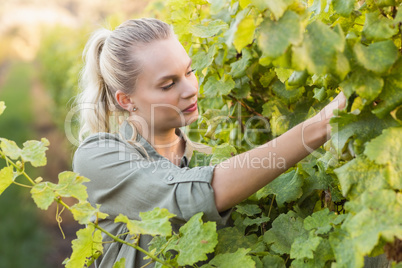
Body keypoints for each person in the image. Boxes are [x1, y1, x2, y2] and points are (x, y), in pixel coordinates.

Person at [72, 18, 346, 267]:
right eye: (168, 84)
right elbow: (194, 194)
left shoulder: (209, 156)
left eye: (189, 72)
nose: (191, 89)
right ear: (126, 100)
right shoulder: (99, 158)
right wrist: (324, 123)